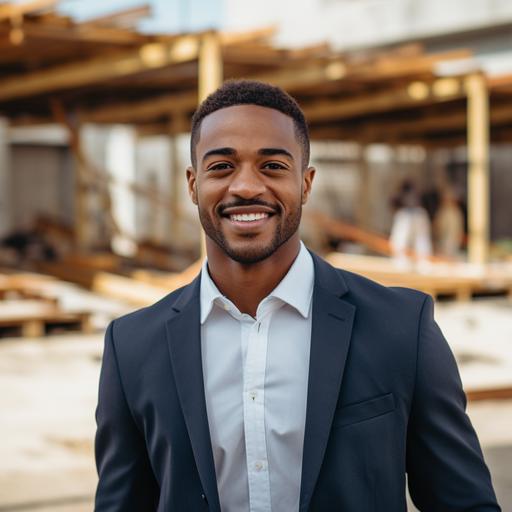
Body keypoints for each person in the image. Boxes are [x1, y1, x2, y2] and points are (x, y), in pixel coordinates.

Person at [94, 80, 500, 511]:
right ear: (193, 185)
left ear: (306, 184)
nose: (246, 187)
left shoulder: (401, 326)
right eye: (221, 167)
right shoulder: (132, 347)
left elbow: (465, 503)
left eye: (272, 166)